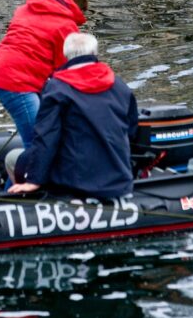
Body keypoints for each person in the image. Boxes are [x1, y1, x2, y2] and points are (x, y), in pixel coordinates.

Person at [8, 32, 138, 199]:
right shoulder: (120, 86)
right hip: (119, 180)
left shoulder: (57, 89)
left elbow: (46, 137)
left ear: (66, 56)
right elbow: (132, 131)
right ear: (94, 53)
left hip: (75, 183)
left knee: (12, 159)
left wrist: (34, 180)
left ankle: (27, 207)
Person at [0, 0, 87, 147]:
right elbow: (66, 73)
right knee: (38, 142)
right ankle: (32, 172)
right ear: (79, 8)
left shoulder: (26, 9)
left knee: (41, 133)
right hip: (17, 84)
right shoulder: (66, 26)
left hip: (0, 72)